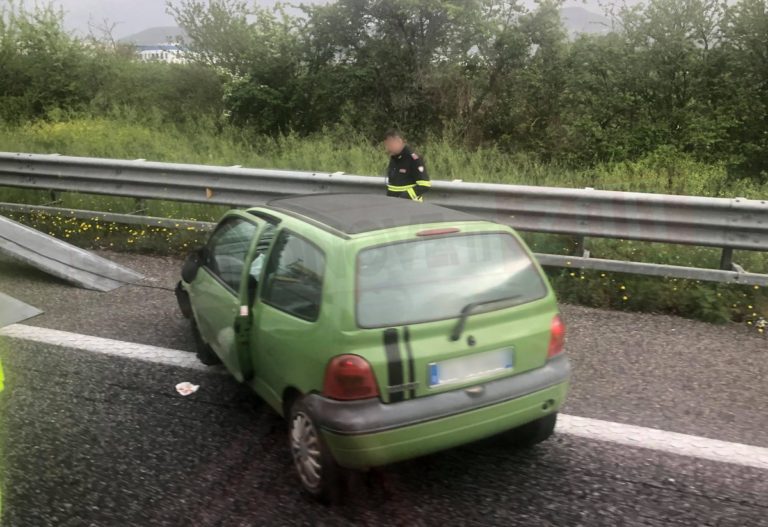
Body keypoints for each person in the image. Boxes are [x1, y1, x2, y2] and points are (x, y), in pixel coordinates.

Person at [383, 129, 431, 201]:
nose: (387, 148)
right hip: (394, 204)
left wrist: (404, 197)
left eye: (389, 145)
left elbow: (425, 185)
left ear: (398, 142)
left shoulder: (414, 159)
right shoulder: (394, 158)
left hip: (410, 206)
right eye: (386, 145)